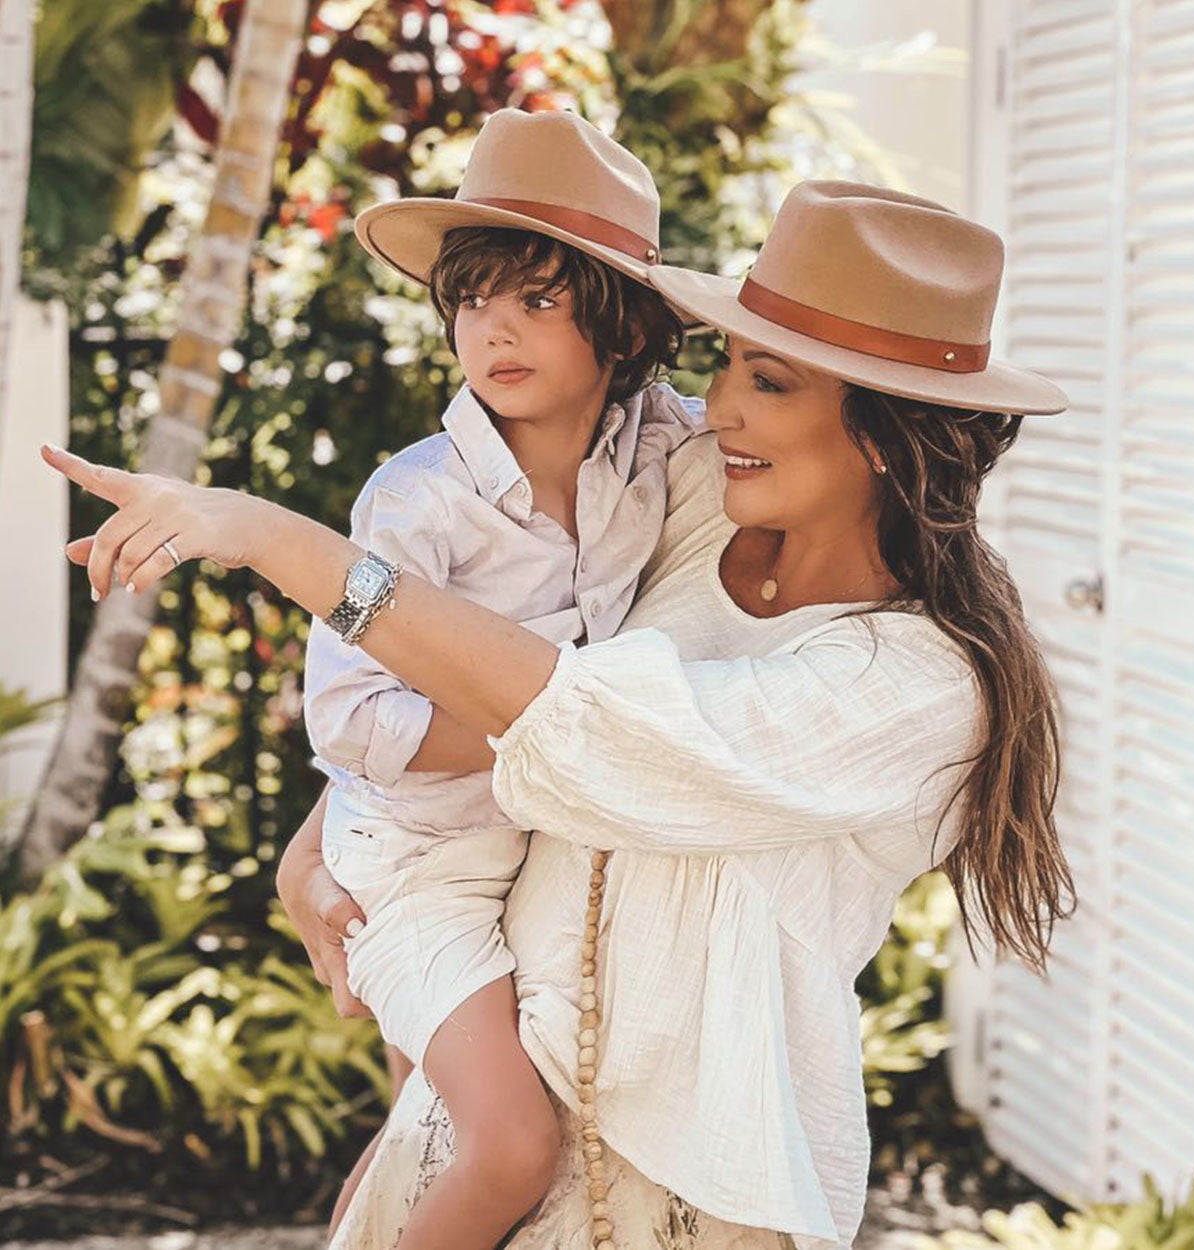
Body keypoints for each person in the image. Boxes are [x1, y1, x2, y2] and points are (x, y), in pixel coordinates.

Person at [44, 180, 1076, 1250]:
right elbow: (473, 649)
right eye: (723, 366)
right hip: (486, 1117)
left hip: (685, 1183)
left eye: (764, 382)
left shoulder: (919, 684)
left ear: (885, 434)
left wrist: (270, 537)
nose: (716, 408)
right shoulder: (685, 499)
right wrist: (323, 836)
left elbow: (584, 726)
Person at [308, 106, 702, 1249]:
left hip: (532, 851)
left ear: (621, 329)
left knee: (419, 1141)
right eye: (473, 298)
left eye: (539, 298)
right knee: (506, 1146)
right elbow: (348, 716)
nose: (496, 329)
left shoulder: (656, 450)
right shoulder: (415, 498)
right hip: (418, 863)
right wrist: (552, 712)